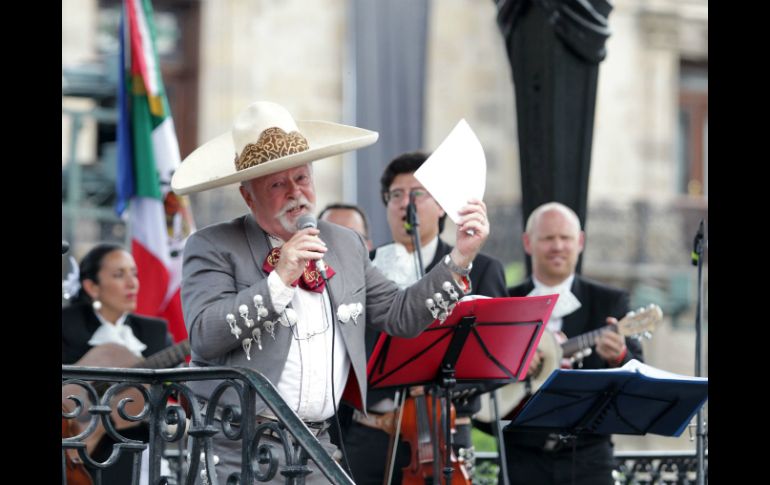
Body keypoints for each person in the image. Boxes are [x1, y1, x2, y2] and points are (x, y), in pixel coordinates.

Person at [170, 101, 491, 484]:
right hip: (236, 445)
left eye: (302, 178)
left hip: (318, 442)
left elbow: (400, 315)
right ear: (247, 196)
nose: (296, 192)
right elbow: (204, 336)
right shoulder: (214, 244)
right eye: (277, 183)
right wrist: (279, 282)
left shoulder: (344, 243)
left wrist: (460, 257)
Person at [340, 151, 508, 484]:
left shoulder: (483, 268)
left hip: (443, 433)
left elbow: (495, 362)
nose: (406, 203)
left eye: (418, 193)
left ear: (442, 205)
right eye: (396, 195)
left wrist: (435, 390)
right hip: (370, 433)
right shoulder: (363, 265)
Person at [503, 202, 644, 485]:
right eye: (547, 238)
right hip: (521, 458)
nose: (557, 246)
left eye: (565, 238)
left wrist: (619, 357)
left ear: (580, 242)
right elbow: (482, 392)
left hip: (589, 459)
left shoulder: (609, 301)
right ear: (528, 243)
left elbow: (640, 378)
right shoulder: (506, 302)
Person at [61, 243, 173, 485]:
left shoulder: (155, 331)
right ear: (91, 286)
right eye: (119, 275)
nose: (132, 283)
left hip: (136, 451)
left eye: (134, 273)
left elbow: (174, 385)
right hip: (72, 453)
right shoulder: (66, 324)